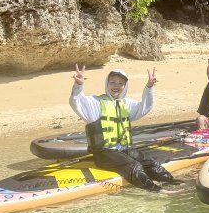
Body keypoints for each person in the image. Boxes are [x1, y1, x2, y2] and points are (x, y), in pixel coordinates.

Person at [70, 64, 179, 194]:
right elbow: (77, 102)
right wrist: (78, 85)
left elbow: (145, 106)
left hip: (124, 150)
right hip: (104, 153)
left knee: (151, 163)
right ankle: (156, 190)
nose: (116, 86)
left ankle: (173, 182)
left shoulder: (126, 104)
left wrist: (149, 87)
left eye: (121, 83)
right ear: (107, 84)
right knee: (135, 166)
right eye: (113, 82)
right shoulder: (96, 103)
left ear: (125, 86)